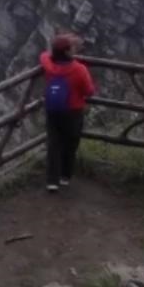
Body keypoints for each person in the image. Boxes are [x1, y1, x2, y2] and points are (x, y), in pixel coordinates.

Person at [40, 33, 96, 192]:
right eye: (71, 47)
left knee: (53, 143)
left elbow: (43, 55)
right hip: (73, 111)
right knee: (70, 143)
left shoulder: (49, 65)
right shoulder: (79, 69)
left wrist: (55, 49)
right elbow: (89, 91)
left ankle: (52, 181)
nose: (74, 49)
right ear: (67, 51)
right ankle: (65, 176)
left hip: (53, 109)